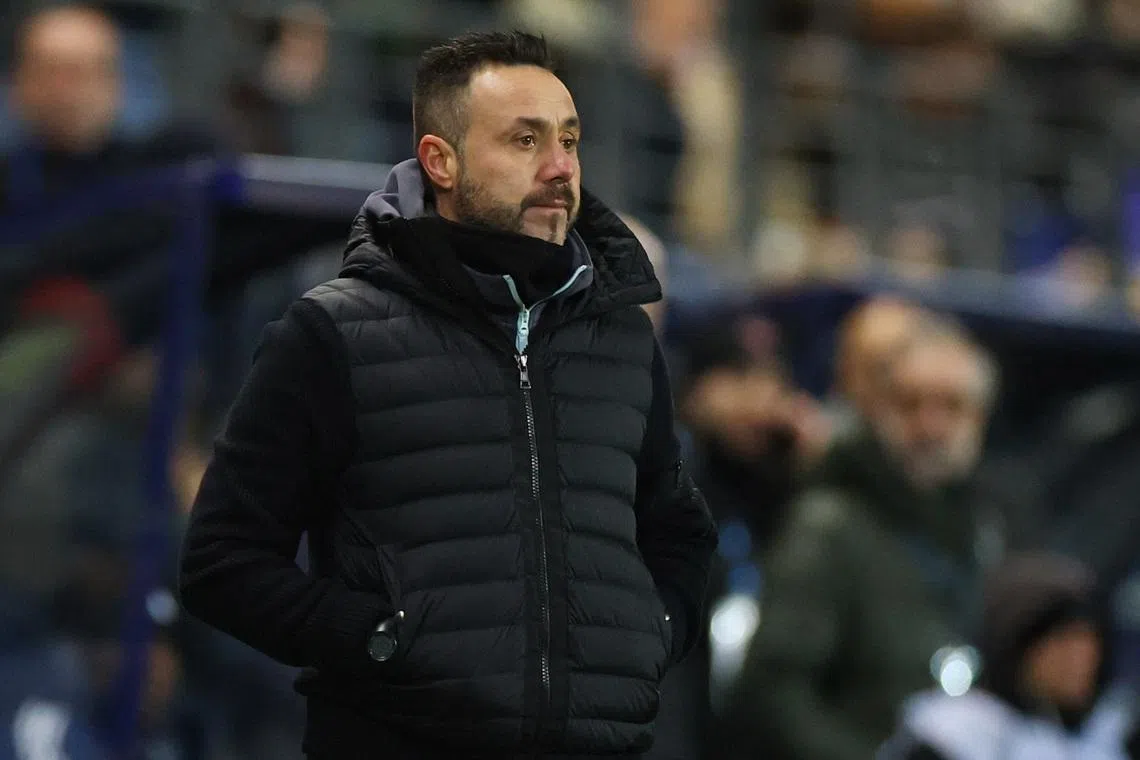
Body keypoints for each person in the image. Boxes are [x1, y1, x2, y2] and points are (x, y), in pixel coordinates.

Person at [178, 31, 718, 760]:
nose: (560, 167)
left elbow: (679, 532)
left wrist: (651, 634)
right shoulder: (335, 332)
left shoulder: (620, 338)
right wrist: (379, 641)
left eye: (569, 140)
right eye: (525, 140)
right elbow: (222, 561)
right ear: (441, 161)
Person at [730, 316, 1012, 760]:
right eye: (910, 404)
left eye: (952, 405)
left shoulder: (986, 530)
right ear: (879, 412)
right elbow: (772, 693)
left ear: (980, 419)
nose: (931, 426)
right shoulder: (829, 527)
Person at [880, 552, 1139, 760]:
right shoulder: (952, 732)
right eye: (1064, 645)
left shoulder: (1096, 740)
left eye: (1091, 645)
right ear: (1021, 648)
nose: (1081, 663)